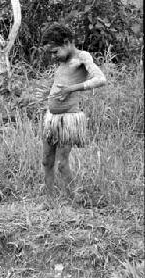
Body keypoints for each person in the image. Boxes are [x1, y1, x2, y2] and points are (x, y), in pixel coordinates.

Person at [38, 23, 107, 198]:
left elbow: (100, 79)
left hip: (68, 120)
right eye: (50, 53)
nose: (53, 56)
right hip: (51, 119)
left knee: (62, 163)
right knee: (46, 160)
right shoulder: (63, 61)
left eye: (55, 51)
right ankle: (49, 198)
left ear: (67, 42)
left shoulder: (82, 57)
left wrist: (71, 89)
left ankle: (69, 198)